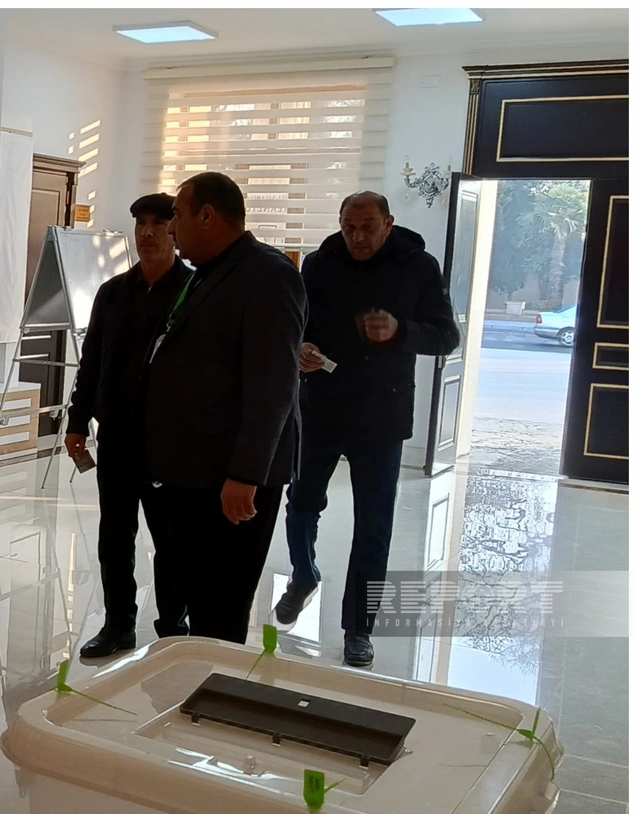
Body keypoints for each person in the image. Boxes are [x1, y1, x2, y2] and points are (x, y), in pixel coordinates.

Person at [274, 192, 460, 668]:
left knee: (374, 525)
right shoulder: (319, 264)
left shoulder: (419, 266)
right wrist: (303, 349)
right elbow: (296, 324)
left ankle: (359, 628)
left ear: (388, 224)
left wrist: (401, 332)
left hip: (382, 415)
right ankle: (303, 574)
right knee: (300, 504)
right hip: (321, 407)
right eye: (349, 227)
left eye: (368, 227)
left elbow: (447, 336)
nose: (357, 236)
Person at [145, 172, 306, 645]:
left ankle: (216, 685)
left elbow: (273, 387)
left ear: (207, 216)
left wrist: (245, 475)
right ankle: (194, 679)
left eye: (177, 215)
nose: (170, 228)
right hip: (194, 472)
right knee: (199, 599)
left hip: (230, 480)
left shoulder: (268, 276)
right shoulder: (209, 272)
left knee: (221, 608)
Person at [65, 193, 193, 659]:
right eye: (141, 223)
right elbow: (92, 362)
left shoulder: (193, 292)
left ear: (174, 232)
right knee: (114, 538)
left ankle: (172, 628)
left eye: (158, 223)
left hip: (169, 443)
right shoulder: (113, 292)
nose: (148, 232)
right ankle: (118, 625)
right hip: (117, 437)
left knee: (171, 542)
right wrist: (77, 420)